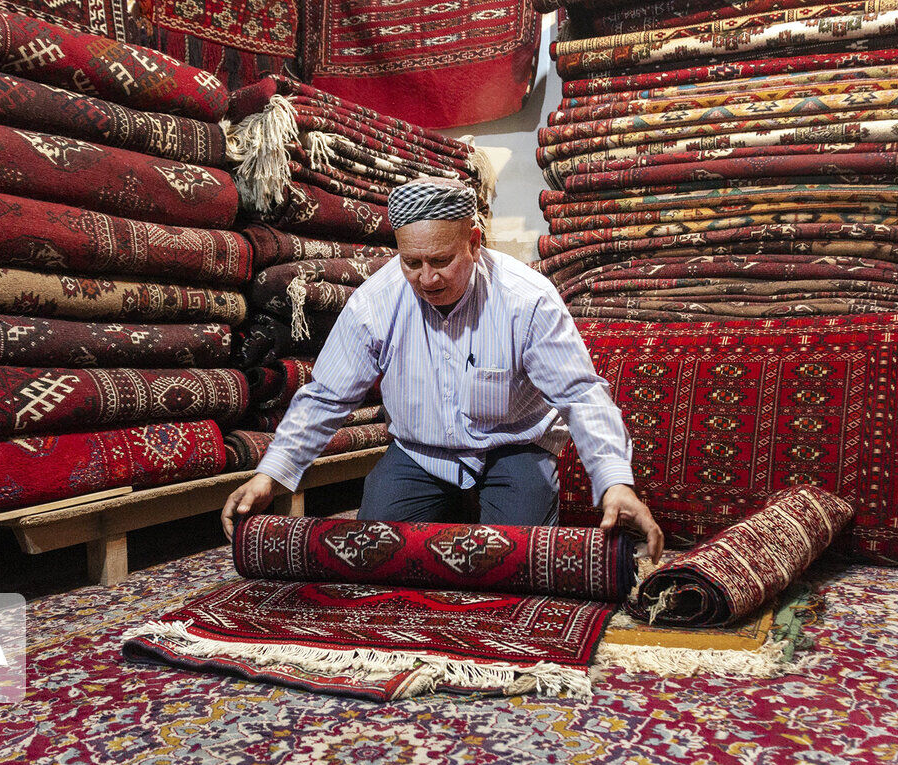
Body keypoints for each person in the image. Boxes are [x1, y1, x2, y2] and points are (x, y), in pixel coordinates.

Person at [221, 177, 663, 559]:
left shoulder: (527, 299)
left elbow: (580, 394)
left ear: (474, 242)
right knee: (375, 555)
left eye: (440, 261)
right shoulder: (376, 302)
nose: (426, 279)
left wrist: (614, 482)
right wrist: (271, 474)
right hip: (420, 452)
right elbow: (327, 395)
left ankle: (476, 510)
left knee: (515, 560)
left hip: (512, 448)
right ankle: (451, 508)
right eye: (411, 262)